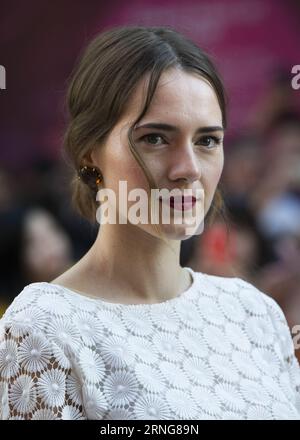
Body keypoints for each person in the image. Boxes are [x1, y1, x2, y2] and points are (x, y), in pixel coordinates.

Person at [0, 25, 299, 421]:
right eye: (155, 138)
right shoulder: (43, 329)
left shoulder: (254, 313)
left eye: (207, 140)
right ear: (90, 152)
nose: (188, 169)